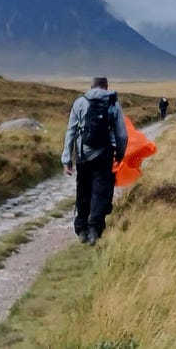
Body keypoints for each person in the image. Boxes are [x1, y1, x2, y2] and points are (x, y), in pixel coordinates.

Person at [62, 76, 128, 245]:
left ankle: (81, 228)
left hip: (83, 155)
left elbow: (70, 132)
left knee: (83, 189)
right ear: (106, 86)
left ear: (91, 86)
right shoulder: (113, 103)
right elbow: (122, 134)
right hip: (104, 155)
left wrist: (67, 159)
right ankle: (94, 230)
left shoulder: (79, 102)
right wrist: (119, 155)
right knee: (100, 191)